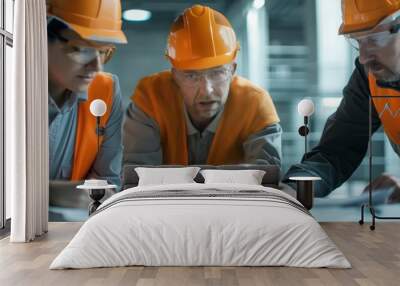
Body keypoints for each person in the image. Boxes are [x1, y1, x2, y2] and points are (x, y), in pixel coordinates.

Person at [123, 5, 282, 167]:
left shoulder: (255, 104)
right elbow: (137, 177)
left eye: (217, 73)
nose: (207, 90)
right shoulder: (150, 99)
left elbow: (267, 177)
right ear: (175, 76)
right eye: (191, 76)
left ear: (232, 70)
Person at [283, 0, 400, 197]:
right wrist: (294, 189)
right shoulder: (368, 78)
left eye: (375, 39)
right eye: (358, 41)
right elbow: (336, 151)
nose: (363, 57)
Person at [47, 0, 127, 208]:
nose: (96, 67)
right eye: (81, 49)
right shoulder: (8, 88)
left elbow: (107, 184)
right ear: (41, 37)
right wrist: (50, 193)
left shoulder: (106, 90)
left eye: (103, 52)